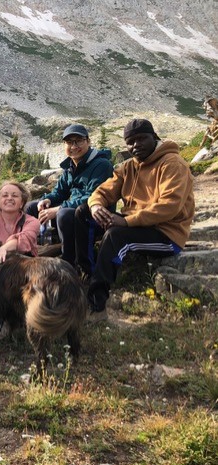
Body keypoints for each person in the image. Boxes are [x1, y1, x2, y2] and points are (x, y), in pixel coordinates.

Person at [75, 119, 195, 321]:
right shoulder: (129, 166)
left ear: (154, 137)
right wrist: (96, 205)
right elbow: (102, 191)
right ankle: (87, 274)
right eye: (130, 142)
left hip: (167, 233)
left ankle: (97, 303)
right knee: (82, 212)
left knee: (115, 235)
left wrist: (126, 222)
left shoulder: (173, 164)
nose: (135, 145)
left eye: (141, 139)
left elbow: (169, 207)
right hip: (137, 224)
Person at [25, 124, 113, 264]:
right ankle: (29, 254)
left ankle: (69, 261)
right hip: (72, 211)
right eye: (69, 142)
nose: (73, 146)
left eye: (78, 141)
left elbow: (93, 197)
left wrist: (58, 208)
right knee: (31, 207)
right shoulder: (70, 167)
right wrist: (47, 200)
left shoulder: (102, 165)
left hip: (93, 216)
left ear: (88, 141)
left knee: (63, 214)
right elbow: (60, 192)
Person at [0, 181, 39, 261]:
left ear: (21, 203)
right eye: (5, 195)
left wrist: (3, 248)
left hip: (27, 266)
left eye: (14, 195)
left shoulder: (32, 222)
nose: (9, 198)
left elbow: (25, 239)